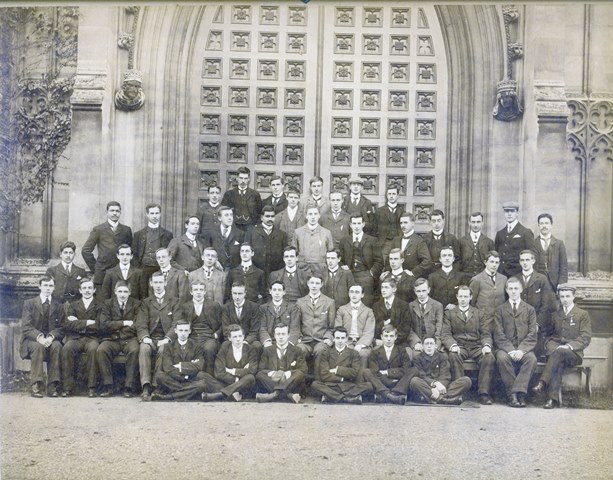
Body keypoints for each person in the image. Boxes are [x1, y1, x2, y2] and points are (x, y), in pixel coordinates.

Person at [533, 284, 592, 409]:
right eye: (562, 297)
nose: (565, 299)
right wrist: (550, 346)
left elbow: (585, 337)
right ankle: (551, 400)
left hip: (574, 354)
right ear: (559, 298)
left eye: (567, 296)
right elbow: (549, 335)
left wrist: (569, 346)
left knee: (558, 353)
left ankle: (542, 382)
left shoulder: (582, 314)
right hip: (556, 353)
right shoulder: (555, 314)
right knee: (557, 363)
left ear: (573, 297)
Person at [442, 285, 495, 405]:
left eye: (466, 296)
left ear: (471, 297)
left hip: (476, 346)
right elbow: (445, 334)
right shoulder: (450, 313)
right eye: (460, 296)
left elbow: (485, 333)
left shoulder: (478, 313)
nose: (463, 299)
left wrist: (486, 345)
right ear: (457, 297)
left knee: (489, 356)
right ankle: (459, 392)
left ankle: (484, 393)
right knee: (453, 355)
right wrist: (453, 345)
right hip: (459, 346)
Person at [135, 272, 184, 400]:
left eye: (160, 282)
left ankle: (157, 386)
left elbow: (177, 323)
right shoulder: (146, 302)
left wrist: (167, 338)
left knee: (164, 349)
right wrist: (145, 337)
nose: (158, 285)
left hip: (166, 338)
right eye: (155, 282)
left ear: (165, 283)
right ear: (151, 284)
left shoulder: (174, 301)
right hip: (150, 337)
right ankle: (146, 385)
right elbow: (141, 323)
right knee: (144, 348)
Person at [492, 277, 537, 408]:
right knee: (501, 358)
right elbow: (498, 334)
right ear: (506, 290)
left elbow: (532, 333)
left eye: (516, 288)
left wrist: (521, 350)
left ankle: (520, 393)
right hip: (505, 348)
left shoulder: (530, 310)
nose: (513, 291)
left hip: (523, 348)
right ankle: (513, 395)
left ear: (521, 289)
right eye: (510, 288)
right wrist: (511, 350)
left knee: (531, 360)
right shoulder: (500, 310)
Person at [20, 276, 64, 397]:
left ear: (54, 288)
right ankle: (36, 384)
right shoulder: (29, 303)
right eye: (45, 285)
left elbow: (61, 328)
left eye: (50, 286)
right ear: (40, 286)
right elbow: (26, 327)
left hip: (50, 340)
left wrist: (51, 337)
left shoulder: (58, 306)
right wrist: (40, 337)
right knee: (38, 347)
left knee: (57, 345)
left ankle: (52, 385)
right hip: (32, 340)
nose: (48, 288)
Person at [97, 280, 141, 398]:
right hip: (112, 339)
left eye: (125, 292)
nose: (122, 294)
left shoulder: (136, 304)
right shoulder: (107, 304)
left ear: (130, 292)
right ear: (115, 292)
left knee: (135, 350)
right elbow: (104, 324)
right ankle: (108, 386)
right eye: (120, 291)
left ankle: (129, 386)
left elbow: (137, 325)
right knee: (102, 349)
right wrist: (124, 323)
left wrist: (116, 327)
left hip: (129, 338)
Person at [310, 326, 373, 404]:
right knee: (315, 384)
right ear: (333, 339)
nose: (340, 341)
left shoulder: (354, 353)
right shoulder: (326, 353)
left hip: (347, 385)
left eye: (342, 338)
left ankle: (331, 397)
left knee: (369, 386)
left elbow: (354, 373)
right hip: (331, 385)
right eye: (338, 338)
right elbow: (324, 374)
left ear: (346, 339)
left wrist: (337, 370)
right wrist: (342, 378)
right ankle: (346, 398)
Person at [61, 278, 101, 397]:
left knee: (94, 350)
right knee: (67, 348)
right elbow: (68, 324)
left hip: (93, 338)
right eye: (84, 288)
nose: (87, 291)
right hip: (76, 338)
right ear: (80, 290)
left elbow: (100, 325)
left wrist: (78, 322)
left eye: (89, 288)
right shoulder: (73, 305)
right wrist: (88, 322)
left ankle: (91, 387)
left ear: (94, 290)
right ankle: (68, 387)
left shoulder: (100, 305)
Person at [81, 201, 133, 294]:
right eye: (112, 210)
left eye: (117, 211)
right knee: (103, 303)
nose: (114, 213)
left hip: (120, 273)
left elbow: (131, 250)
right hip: (102, 274)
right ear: (107, 212)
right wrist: (96, 268)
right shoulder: (98, 229)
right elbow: (85, 251)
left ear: (120, 213)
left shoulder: (126, 230)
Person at [513, 249, 557, 357]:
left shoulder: (542, 279)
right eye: (522, 260)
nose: (525, 262)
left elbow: (546, 305)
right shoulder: (515, 279)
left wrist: (536, 324)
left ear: (533, 261)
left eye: (527, 260)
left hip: (537, 326)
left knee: (535, 354)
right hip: (519, 324)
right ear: (519, 262)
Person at [149, 320, 207, 402]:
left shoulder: (196, 347)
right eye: (180, 330)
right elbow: (168, 368)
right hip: (177, 379)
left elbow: (199, 366)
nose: (183, 333)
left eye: (186, 330)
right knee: (159, 376)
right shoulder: (168, 347)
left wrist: (179, 366)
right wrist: (186, 372)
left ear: (190, 331)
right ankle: (188, 392)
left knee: (202, 384)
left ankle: (168, 397)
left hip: (188, 380)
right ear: (175, 331)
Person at [200, 324, 258, 402]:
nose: (238, 339)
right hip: (229, 383)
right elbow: (219, 372)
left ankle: (220, 395)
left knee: (250, 378)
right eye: (235, 337)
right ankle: (232, 395)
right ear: (229, 338)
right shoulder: (225, 347)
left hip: (243, 386)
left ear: (243, 336)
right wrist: (237, 379)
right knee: (202, 375)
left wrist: (232, 371)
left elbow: (252, 371)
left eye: (240, 336)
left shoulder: (250, 349)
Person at [362, 325, 416, 405]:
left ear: (396, 337)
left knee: (414, 369)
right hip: (381, 383)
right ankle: (390, 396)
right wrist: (388, 381)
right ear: (381, 337)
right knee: (366, 372)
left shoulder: (402, 351)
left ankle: (390, 394)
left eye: (391, 336)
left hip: (398, 383)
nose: (389, 339)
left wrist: (388, 372)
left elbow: (406, 369)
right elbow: (375, 372)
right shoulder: (375, 352)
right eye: (386, 336)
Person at [408, 337, 471, 405]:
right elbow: (421, 376)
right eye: (426, 344)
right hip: (427, 386)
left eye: (431, 344)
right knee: (414, 381)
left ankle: (434, 398)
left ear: (435, 346)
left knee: (466, 381)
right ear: (423, 346)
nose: (429, 346)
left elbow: (445, 375)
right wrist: (434, 384)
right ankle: (443, 399)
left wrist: (438, 388)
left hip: (442, 387)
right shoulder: (417, 359)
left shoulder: (442, 357)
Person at [256, 323, 308, 403]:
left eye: (283, 334)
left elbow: (303, 370)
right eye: (278, 334)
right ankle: (288, 395)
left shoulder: (297, 350)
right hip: (273, 381)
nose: (281, 337)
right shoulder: (268, 350)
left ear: (288, 335)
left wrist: (287, 374)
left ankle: (274, 395)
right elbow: (261, 369)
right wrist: (273, 373)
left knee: (299, 373)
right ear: (274, 335)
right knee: (260, 375)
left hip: (290, 382)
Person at [339, 214, 382, 307]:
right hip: (349, 274)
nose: (356, 226)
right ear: (350, 225)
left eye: (359, 223)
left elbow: (379, 261)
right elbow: (340, 259)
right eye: (354, 223)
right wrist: (342, 266)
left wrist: (371, 273)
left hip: (365, 275)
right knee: (347, 303)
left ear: (363, 224)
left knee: (366, 304)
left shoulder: (372, 240)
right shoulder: (344, 240)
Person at [181, 281, 222, 375]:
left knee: (209, 348)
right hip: (192, 337)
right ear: (191, 292)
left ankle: (209, 378)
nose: (198, 292)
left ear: (204, 291)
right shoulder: (185, 306)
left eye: (201, 290)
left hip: (209, 337)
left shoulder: (214, 305)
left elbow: (222, 324)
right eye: (195, 290)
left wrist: (216, 334)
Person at [295, 275, 336, 361]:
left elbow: (331, 326)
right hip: (304, 340)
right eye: (312, 283)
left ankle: (319, 375)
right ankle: (301, 374)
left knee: (320, 350)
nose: (314, 286)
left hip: (321, 340)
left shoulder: (329, 302)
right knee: (299, 350)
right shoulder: (300, 302)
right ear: (308, 284)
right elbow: (296, 324)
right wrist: (298, 337)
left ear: (321, 285)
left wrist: (328, 338)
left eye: (317, 283)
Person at [132, 202, 174, 285]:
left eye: (157, 213)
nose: (154, 216)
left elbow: (170, 253)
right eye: (152, 213)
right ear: (147, 214)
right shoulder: (139, 234)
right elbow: (134, 253)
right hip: (143, 270)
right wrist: (138, 269)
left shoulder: (167, 234)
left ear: (160, 214)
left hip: (160, 269)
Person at [334, 285, 376, 367]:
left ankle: (360, 379)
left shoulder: (368, 311)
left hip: (363, 343)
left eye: (357, 292)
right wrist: (344, 342)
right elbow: (338, 328)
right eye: (351, 292)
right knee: (344, 353)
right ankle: (343, 377)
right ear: (349, 294)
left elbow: (369, 331)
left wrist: (360, 345)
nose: (354, 295)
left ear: (362, 295)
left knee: (363, 354)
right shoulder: (342, 309)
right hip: (346, 341)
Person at [494, 201, 535, 277]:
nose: (509, 214)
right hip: (501, 274)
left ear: (517, 213)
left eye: (512, 211)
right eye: (507, 211)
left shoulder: (525, 232)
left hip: (517, 274)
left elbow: (532, 254)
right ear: (504, 213)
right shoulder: (500, 234)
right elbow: (496, 254)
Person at [220, 282, 262, 357]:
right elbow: (226, 330)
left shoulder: (254, 307)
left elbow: (254, 330)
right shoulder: (226, 308)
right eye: (234, 293)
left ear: (245, 293)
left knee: (257, 345)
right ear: (231, 293)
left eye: (240, 294)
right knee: (225, 345)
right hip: (232, 339)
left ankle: (254, 368)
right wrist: (235, 341)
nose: (237, 297)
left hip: (248, 339)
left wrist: (245, 342)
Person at [244, 206, 287, 278]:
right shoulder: (251, 232)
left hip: (275, 273)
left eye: (272, 216)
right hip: (256, 273)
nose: (270, 219)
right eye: (267, 216)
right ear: (261, 217)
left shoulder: (282, 234)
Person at [258, 281, 301, 348]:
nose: (277, 293)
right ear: (270, 291)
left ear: (284, 292)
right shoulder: (263, 308)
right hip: (270, 340)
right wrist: (267, 341)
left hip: (286, 340)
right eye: (274, 290)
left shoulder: (292, 308)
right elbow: (262, 328)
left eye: (279, 290)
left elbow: (295, 328)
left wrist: (289, 343)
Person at [387, 212, 432, 277]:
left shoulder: (419, 241)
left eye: (405, 223)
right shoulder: (396, 240)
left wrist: (413, 272)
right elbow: (388, 259)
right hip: (395, 276)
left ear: (413, 223)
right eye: (401, 223)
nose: (403, 225)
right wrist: (388, 271)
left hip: (411, 279)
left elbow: (427, 261)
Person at [294, 205, 334, 278]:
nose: (313, 217)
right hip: (302, 269)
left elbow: (330, 251)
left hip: (321, 269)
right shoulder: (298, 232)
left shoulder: (326, 232)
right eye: (310, 214)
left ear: (319, 215)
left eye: (315, 214)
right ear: (306, 216)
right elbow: (294, 252)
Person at [202, 205, 245, 271]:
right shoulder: (211, 232)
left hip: (234, 271)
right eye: (226, 215)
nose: (230, 218)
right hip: (215, 269)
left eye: (231, 215)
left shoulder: (240, 234)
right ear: (219, 218)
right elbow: (206, 250)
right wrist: (215, 261)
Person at [408, 278, 444, 355]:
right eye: (418, 291)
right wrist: (415, 342)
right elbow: (408, 328)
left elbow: (439, 327)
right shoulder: (410, 306)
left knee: (437, 357)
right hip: (419, 343)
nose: (421, 294)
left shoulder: (437, 306)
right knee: (417, 356)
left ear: (429, 290)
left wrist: (436, 344)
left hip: (433, 342)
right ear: (415, 291)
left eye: (423, 291)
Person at [533, 213, 568, 292]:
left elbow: (564, 266)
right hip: (538, 284)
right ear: (538, 225)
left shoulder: (559, 243)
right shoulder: (533, 243)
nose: (544, 226)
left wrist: (561, 283)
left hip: (554, 285)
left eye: (546, 223)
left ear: (551, 225)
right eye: (541, 223)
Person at [372, 277, 412, 347]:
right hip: (380, 343)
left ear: (394, 289)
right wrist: (383, 323)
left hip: (399, 343)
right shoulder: (376, 306)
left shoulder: (403, 305)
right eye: (382, 287)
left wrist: (390, 342)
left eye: (386, 287)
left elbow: (405, 328)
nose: (383, 290)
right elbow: (373, 327)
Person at [220, 166, 263, 231]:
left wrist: (256, 226)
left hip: (250, 228)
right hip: (233, 228)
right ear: (237, 178)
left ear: (249, 179)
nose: (243, 181)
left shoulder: (255, 194)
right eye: (241, 178)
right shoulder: (229, 194)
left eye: (245, 178)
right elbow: (223, 211)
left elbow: (260, 212)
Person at [469, 250, 508, 321]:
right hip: (483, 320)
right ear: (485, 262)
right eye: (491, 262)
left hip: (500, 320)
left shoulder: (503, 279)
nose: (494, 265)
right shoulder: (477, 280)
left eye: (496, 262)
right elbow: (472, 303)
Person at [458, 212, 495, 278]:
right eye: (473, 222)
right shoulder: (461, 241)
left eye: (478, 222)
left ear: (482, 223)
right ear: (469, 223)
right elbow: (458, 262)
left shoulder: (489, 242)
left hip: (483, 277)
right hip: (465, 277)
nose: (475, 225)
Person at [374, 184, 404, 253]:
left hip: (398, 243)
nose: (391, 196)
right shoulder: (379, 211)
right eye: (389, 194)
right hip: (383, 244)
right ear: (386, 195)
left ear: (398, 196)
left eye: (393, 194)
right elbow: (374, 229)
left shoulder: (402, 212)